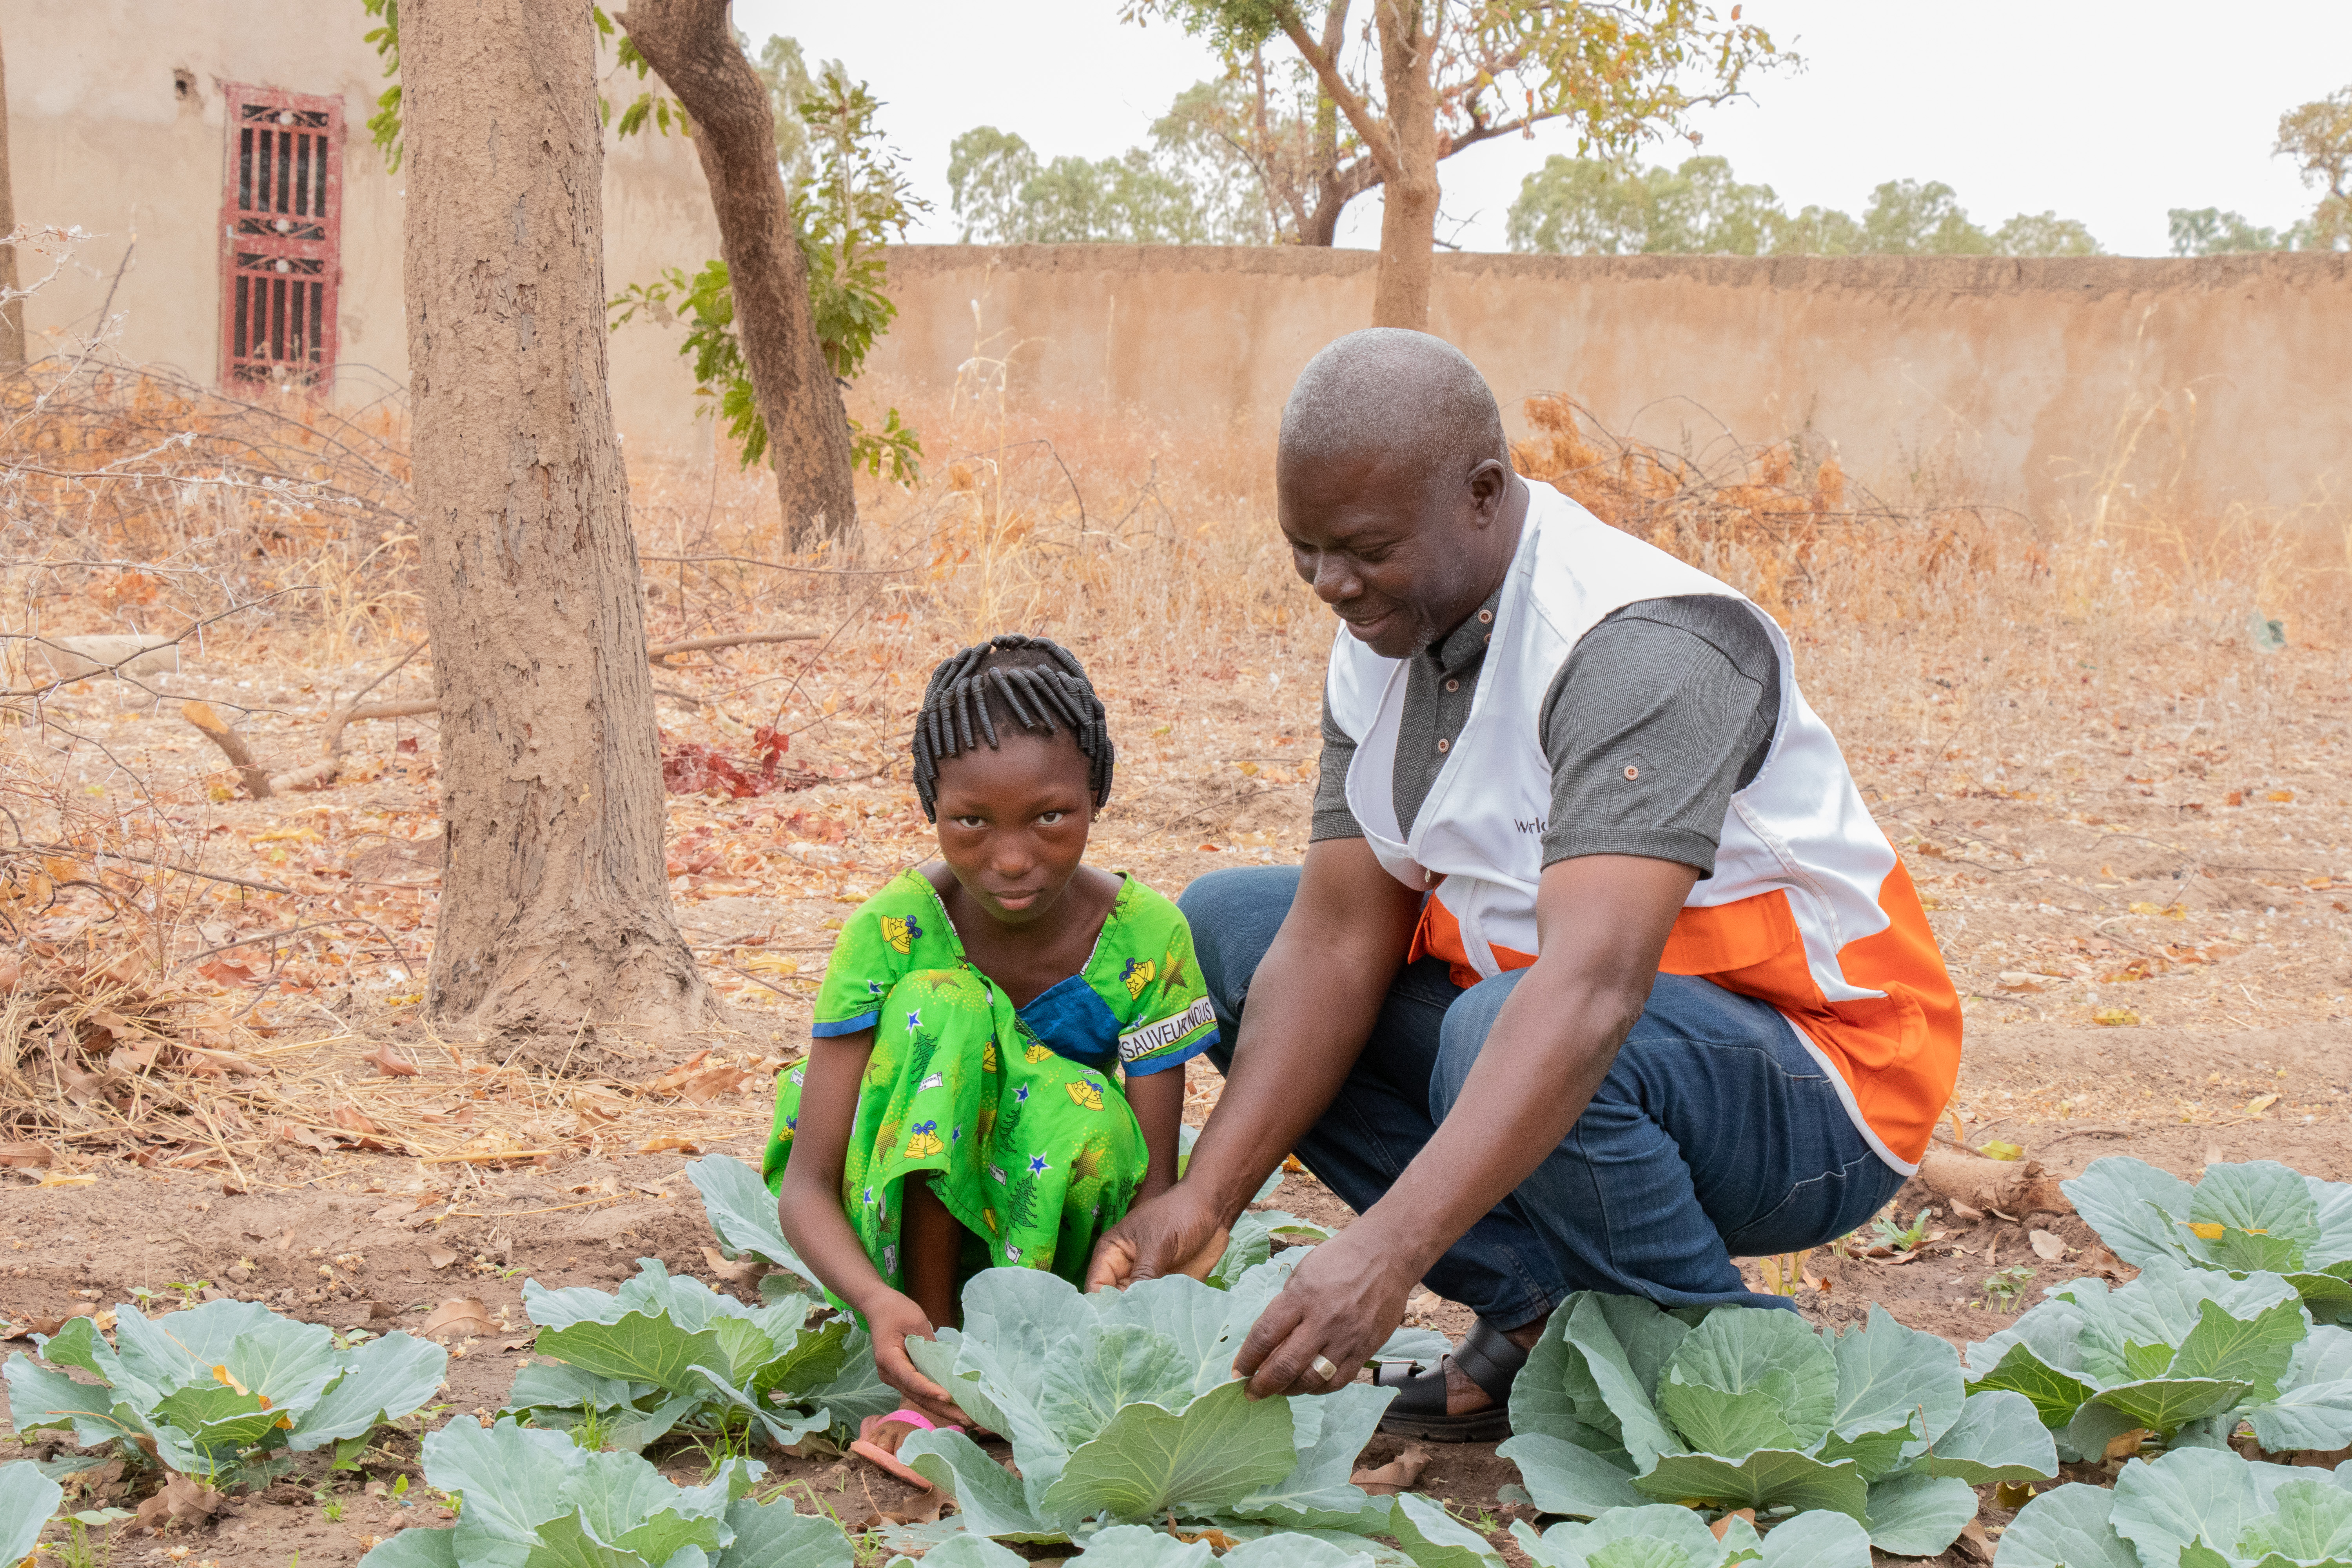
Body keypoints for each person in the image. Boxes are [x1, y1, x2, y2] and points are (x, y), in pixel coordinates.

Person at [1087, 329, 1962, 1443]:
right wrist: (1204, 1202)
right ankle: (1543, 1313)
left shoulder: (1640, 645)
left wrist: (1383, 1256)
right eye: (1304, 549)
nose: (1329, 586)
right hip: (1563, 1040)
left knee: (1504, 1023)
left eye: (1359, 549)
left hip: (1819, 1090)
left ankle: (1730, 1368)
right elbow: (1338, 939)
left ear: (1485, 496)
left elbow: (1590, 993)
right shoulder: (1393, 622)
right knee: (1231, 930)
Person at [769, 633, 1222, 1423]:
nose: (1012, 858)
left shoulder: (1148, 935)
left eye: (1051, 816)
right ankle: (935, 1356)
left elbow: (1151, 1183)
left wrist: (1107, 1344)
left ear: (1098, 792)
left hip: (1058, 1243)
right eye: (971, 821)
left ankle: (1018, 1364)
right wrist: (877, 1300)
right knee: (946, 1003)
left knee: (1087, 1111)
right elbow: (807, 1183)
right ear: (929, 805)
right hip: (894, 1232)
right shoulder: (893, 931)